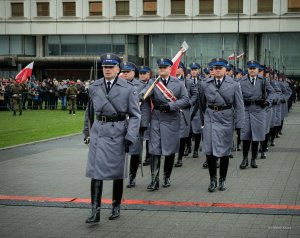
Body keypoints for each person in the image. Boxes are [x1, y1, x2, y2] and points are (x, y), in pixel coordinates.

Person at [83, 53, 141, 224]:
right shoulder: (94, 86)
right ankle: (95, 210)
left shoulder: (128, 88)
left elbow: (135, 115)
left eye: (110, 67)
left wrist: (131, 136)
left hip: (118, 133)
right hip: (99, 132)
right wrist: (87, 133)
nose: (107, 70)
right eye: (104, 67)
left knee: (117, 172)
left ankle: (116, 206)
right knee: (95, 172)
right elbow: (90, 112)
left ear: (118, 69)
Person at [140, 58, 189, 190]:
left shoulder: (178, 83)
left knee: (169, 149)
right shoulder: (153, 82)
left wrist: (171, 106)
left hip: (171, 119)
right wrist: (141, 95)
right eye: (160, 67)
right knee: (154, 149)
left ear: (170, 69)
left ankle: (166, 177)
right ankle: (154, 180)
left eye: (164, 67)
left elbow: (185, 100)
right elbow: (144, 92)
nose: (162, 69)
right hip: (156, 118)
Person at [199, 58, 245, 192]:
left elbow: (239, 106)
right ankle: (212, 179)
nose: (217, 69)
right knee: (210, 149)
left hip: (226, 119)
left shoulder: (234, 84)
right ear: (212, 69)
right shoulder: (205, 84)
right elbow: (202, 103)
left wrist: (239, 125)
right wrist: (205, 118)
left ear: (226, 69)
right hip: (210, 117)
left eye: (220, 67)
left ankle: (222, 179)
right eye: (215, 67)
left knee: (225, 150)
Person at [119, 62, 150, 188]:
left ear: (133, 72)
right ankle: (119, 175)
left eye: (128, 72)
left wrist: (143, 123)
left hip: (135, 123)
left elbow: (145, 107)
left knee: (135, 151)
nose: (125, 74)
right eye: (124, 72)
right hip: (120, 122)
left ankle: (132, 177)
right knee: (120, 150)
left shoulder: (141, 85)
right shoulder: (118, 84)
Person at [239, 61, 275, 169]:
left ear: (258, 69)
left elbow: (272, 93)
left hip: (259, 110)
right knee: (245, 135)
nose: (252, 70)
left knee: (256, 135)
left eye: (254, 68)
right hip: (246, 109)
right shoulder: (241, 80)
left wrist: (268, 101)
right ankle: (245, 158)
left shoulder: (264, 80)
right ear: (248, 69)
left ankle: (253, 159)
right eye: (250, 68)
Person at [137, 66, 152, 166]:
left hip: (151, 114)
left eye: (144, 73)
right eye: (140, 73)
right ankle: (137, 157)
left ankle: (148, 157)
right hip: (138, 115)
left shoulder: (152, 83)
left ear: (149, 74)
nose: (142, 75)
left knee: (148, 138)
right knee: (138, 138)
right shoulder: (135, 84)